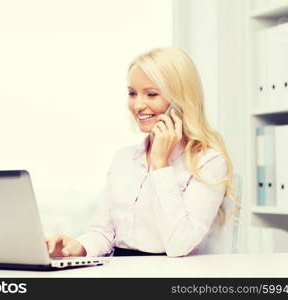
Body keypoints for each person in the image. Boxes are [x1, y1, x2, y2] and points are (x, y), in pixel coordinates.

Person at [45, 47, 238, 257]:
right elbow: (102, 232)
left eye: (151, 94)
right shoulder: (123, 159)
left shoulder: (208, 162)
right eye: (132, 93)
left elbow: (180, 245)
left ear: (180, 100)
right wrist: (77, 248)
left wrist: (160, 164)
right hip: (119, 270)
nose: (138, 105)